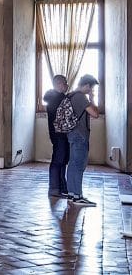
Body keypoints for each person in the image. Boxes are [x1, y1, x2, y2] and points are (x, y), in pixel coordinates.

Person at [65, 74, 100, 207]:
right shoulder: (80, 97)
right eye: (91, 89)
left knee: (73, 164)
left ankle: (72, 194)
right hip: (80, 135)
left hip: (72, 134)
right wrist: (92, 99)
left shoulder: (71, 95)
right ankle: (78, 196)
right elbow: (95, 113)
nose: (91, 91)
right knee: (79, 164)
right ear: (87, 86)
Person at [43, 74, 69, 198]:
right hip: (58, 133)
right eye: (65, 83)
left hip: (60, 133)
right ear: (58, 84)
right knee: (58, 160)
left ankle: (62, 187)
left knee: (62, 159)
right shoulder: (56, 98)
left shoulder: (57, 97)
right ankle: (54, 188)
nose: (67, 85)